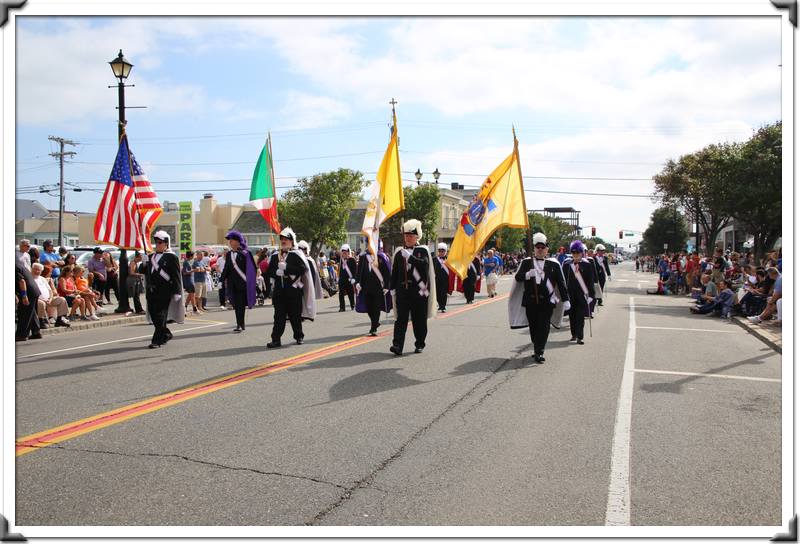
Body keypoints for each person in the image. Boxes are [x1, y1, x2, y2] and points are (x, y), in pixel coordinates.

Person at [509, 233, 569, 363]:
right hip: (530, 301)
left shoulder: (554, 264)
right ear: (534, 249)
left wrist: (566, 300)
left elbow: (561, 283)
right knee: (534, 327)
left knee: (544, 327)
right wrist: (527, 275)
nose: (540, 249)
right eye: (538, 247)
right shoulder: (526, 262)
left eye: (543, 247)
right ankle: (537, 346)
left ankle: (539, 351)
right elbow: (517, 278)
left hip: (547, 302)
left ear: (547, 249)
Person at [389, 219, 436, 355]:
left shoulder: (423, 250)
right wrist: (392, 287)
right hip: (403, 292)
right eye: (406, 236)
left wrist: (411, 257)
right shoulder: (399, 252)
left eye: (411, 236)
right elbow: (395, 272)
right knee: (400, 320)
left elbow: (424, 266)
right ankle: (397, 345)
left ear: (417, 237)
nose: (408, 238)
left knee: (419, 320)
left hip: (419, 292)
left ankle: (420, 343)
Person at [266, 228, 311, 348]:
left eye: (286, 239)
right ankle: (276, 339)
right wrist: (276, 272)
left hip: (293, 291)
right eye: (282, 239)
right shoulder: (275, 255)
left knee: (295, 316)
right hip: (279, 293)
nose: (283, 241)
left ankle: (299, 336)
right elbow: (269, 271)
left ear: (292, 241)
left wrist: (287, 268)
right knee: (278, 317)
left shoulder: (296, 254)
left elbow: (302, 270)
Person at [144, 231, 182, 348]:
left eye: (160, 242)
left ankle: (156, 341)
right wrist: (143, 262)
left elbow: (175, 275)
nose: (157, 245)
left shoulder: (171, 257)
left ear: (166, 244)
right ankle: (166, 334)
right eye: (156, 242)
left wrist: (177, 291)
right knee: (154, 315)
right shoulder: (150, 257)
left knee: (161, 315)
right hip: (151, 291)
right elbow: (142, 271)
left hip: (165, 291)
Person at [219, 230, 257, 332]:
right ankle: (240, 324)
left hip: (242, 284)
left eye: (231, 241)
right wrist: (221, 280)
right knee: (235, 304)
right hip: (232, 284)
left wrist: (251, 282)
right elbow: (226, 268)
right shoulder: (229, 254)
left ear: (237, 241)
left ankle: (240, 324)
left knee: (240, 305)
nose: (230, 243)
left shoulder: (246, 253)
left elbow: (252, 268)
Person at [562, 240, 597, 345]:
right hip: (571, 295)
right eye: (573, 252)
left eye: (578, 252)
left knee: (580, 316)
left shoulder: (587, 265)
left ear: (582, 253)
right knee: (572, 316)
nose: (576, 254)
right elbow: (563, 281)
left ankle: (580, 336)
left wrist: (591, 295)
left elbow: (590, 282)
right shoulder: (567, 265)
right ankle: (574, 334)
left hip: (582, 295)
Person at [355, 242, 392, 336]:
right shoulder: (363, 257)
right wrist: (357, 282)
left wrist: (387, 286)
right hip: (366, 287)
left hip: (378, 288)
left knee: (376, 307)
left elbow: (387, 273)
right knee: (369, 307)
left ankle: (374, 327)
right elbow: (359, 271)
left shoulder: (381, 257)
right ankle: (375, 322)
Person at [32, 263, 70, 328]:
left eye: (39, 270)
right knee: (41, 303)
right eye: (35, 269)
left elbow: (50, 291)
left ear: (41, 271)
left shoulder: (42, 279)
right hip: (38, 299)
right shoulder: (30, 278)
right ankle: (41, 321)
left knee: (62, 299)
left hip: (48, 299)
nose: (37, 271)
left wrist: (50, 298)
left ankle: (59, 319)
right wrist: (42, 299)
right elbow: (32, 292)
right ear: (32, 269)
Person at [16, 255, 42, 341]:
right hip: (33, 289)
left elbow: (22, 281)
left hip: (28, 291)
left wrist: (24, 295)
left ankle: (22, 334)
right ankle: (36, 332)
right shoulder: (18, 264)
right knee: (32, 312)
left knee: (24, 313)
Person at [338, 244, 357, 311]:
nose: (344, 253)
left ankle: (353, 305)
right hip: (342, 279)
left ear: (348, 252)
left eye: (345, 252)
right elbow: (340, 269)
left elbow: (355, 270)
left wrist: (354, 278)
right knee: (341, 294)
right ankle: (342, 307)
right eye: (343, 252)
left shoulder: (352, 260)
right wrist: (339, 277)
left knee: (350, 293)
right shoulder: (341, 260)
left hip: (349, 279)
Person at [432, 242, 451, 313]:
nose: (441, 252)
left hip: (445, 279)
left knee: (444, 293)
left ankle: (443, 306)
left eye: (443, 251)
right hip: (436, 279)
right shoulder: (434, 259)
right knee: (437, 293)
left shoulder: (448, 259)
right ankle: (440, 304)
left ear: (445, 252)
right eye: (440, 251)